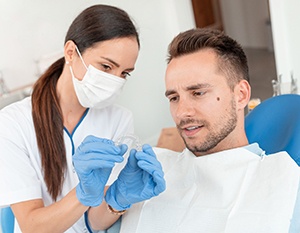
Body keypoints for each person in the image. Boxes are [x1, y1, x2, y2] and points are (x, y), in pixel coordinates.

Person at [0, 4, 165, 233]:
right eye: (106, 66)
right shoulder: (12, 123)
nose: (115, 81)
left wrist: (118, 199)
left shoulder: (118, 119)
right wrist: (83, 194)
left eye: (124, 73)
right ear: (70, 52)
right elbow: (32, 226)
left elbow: (95, 222)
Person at [118, 28, 300, 233]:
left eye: (198, 93)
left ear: (240, 95)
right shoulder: (152, 176)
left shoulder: (286, 187)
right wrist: (110, 203)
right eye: (174, 98)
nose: (182, 113)